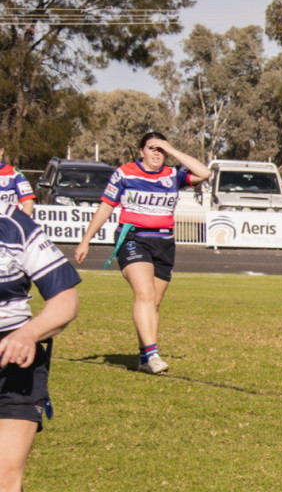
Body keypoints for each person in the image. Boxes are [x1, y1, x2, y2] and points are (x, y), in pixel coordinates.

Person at [0, 201, 82, 492]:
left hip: (13, 368)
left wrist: (28, 333)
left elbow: (65, 300)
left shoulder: (15, 226)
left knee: (3, 481)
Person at [72, 130, 208, 374]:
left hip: (164, 243)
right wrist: (86, 240)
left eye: (160, 149)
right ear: (141, 152)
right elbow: (105, 207)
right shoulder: (124, 173)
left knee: (154, 302)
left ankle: (144, 358)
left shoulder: (173, 175)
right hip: (133, 239)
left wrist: (172, 149)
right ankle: (153, 354)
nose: (156, 154)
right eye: (151, 148)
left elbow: (204, 173)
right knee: (144, 294)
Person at [0, 145, 35, 213]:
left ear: (1, 151)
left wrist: (21, 221)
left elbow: (28, 203)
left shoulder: (14, 173)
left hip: (7, 221)